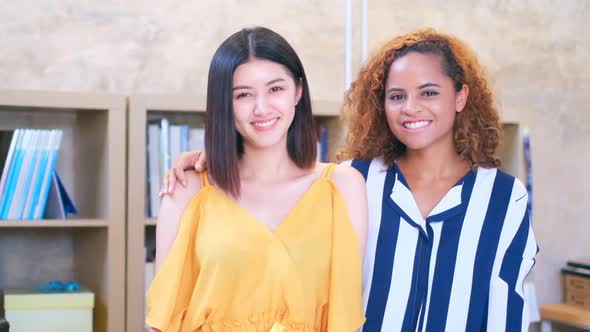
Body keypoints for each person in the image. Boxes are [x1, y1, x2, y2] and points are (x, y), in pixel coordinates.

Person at [162, 28, 538, 332]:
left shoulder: (504, 197)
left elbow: (506, 308)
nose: (411, 108)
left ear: (460, 97)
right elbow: (276, 176)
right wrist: (208, 157)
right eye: (396, 96)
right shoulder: (356, 180)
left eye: (429, 93)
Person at [147, 27, 368, 332]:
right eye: (243, 95)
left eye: (275, 89)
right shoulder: (188, 190)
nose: (261, 108)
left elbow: (344, 316)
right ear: (225, 104)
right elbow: (163, 321)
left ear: (298, 91)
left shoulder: (342, 186)